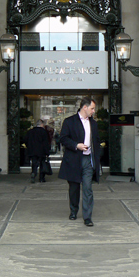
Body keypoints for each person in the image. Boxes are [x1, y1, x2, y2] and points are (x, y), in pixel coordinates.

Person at [58, 97, 101, 227]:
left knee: (88, 188)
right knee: (74, 188)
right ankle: (73, 210)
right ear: (85, 107)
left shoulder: (93, 123)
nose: (93, 111)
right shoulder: (69, 121)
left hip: (88, 160)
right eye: (92, 108)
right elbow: (63, 138)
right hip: (74, 160)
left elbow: (96, 141)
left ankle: (87, 217)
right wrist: (76, 145)